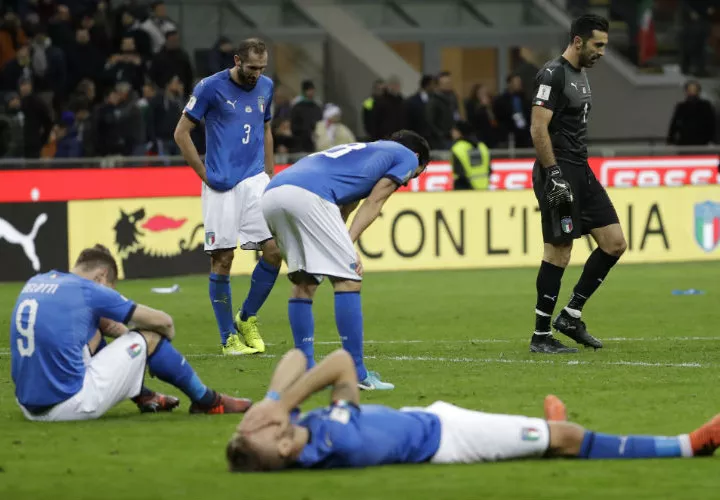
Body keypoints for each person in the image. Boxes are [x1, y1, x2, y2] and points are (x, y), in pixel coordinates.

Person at [226, 348, 720, 471]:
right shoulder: (339, 439)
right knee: (570, 437)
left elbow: (298, 358)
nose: (270, 427)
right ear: (286, 445)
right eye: (267, 433)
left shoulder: (309, 434)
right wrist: (283, 403)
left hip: (436, 418)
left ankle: (541, 433)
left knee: (546, 436)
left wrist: (270, 403)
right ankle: (689, 447)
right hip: (452, 441)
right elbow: (338, 363)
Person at [259, 131, 430, 391]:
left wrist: (343, 243)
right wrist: (347, 248)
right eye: (415, 174)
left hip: (274, 193)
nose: (406, 181)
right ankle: (355, 372)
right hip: (309, 196)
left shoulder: (364, 153)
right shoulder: (406, 155)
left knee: (304, 281)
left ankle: (304, 367)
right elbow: (375, 202)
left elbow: (344, 208)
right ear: (417, 157)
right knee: (349, 279)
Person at [10, 244, 252, 422]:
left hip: (27, 407)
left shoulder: (37, 281)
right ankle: (207, 401)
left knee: (95, 329)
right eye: (112, 288)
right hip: (66, 405)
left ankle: (144, 395)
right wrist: (153, 350)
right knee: (151, 337)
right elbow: (165, 323)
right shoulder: (89, 290)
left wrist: (116, 333)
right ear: (102, 277)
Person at [174, 38, 282, 356]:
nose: (257, 74)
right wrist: (204, 175)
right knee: (223, 259)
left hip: (255, 180)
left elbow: (266, 129)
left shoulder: (267, 87)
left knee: (274, 252)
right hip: (221, 184)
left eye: (262, 68)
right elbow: (181, 133)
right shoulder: (210, 87)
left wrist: (270, 174)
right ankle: (228, 339)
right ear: (237, 60)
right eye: (251, 68)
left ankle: (246, 318)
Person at [528, 14, 626, 354]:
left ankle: (570, 315)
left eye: (605, 46)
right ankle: (541, 335)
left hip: (581, 170)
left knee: (614, 243)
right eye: (598, 45)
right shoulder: (552, 74)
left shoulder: (581, 74)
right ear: (578, 41)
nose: (601, 52)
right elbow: (538, 128)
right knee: (560, 249)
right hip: (558, 170)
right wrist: (553, 173)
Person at [450, 121, 490, 190]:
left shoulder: (457, 148)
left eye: (454, 130)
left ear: (460, 132)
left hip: (464, 189)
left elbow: (458, 172)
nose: (452, 133)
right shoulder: (482, 147)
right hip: (484, 187)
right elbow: (489, 169)